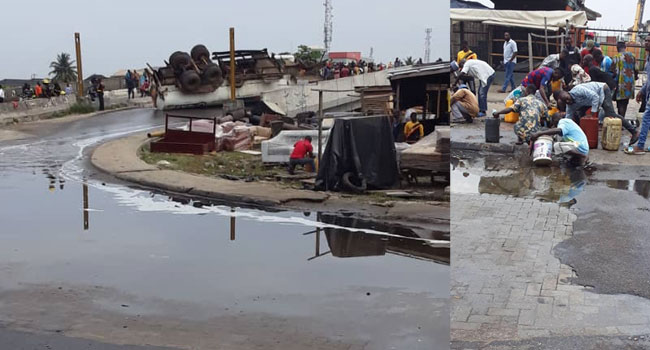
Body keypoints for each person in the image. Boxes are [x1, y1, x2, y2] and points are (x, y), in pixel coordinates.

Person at [555, 82, 638, 143]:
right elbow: (568, 119)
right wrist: (563, 133)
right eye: (566, 101)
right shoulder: (570, 106)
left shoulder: (578, 90)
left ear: (568, 93)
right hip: (589, 101)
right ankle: (582, 137)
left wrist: (591, 114)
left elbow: (595, 97)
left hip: (602, 90)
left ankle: (634, 132)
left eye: (568, 98)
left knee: (610, 114)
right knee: (579, 115)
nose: (568, 101)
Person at [630, 36, 650, 154]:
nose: (646, 43)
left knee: (646, 117)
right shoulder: (648, 58)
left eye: (649, 41)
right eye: (646, 41)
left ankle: (641, 145)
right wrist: (642, 91)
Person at [611, 41, 637, 117]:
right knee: (625, 102)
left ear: (617, 48)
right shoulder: (632, 56)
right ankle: (623, 119)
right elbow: (636, 69)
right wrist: (635, 77)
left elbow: (613, 71)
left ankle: (620, 119)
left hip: (620, 82)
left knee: (620, 103)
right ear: (625, 47)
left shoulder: (616, 57)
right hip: (629, 82)